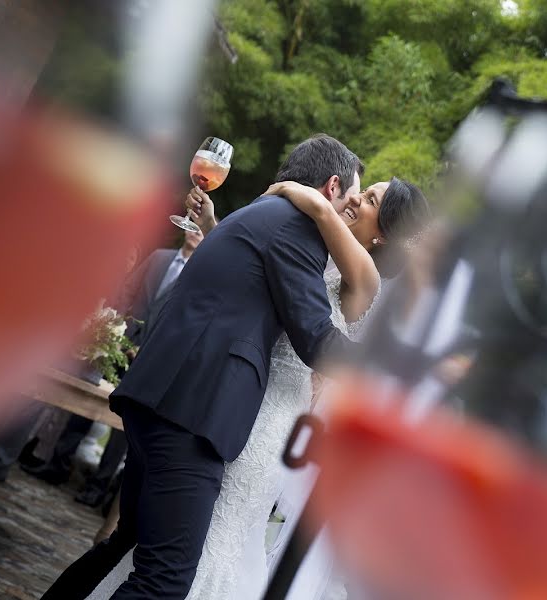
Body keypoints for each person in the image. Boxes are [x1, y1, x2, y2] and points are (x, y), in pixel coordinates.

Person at [40, 133, 387, 600]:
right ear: (330, 187)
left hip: (166, 401)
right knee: (164, 580)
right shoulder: (293, 229)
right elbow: (318, 344)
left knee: (126, 546)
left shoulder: (266, 216)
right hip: (192, 413)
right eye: (350, 195)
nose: (348, 208)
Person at [0, 231, 204, 500]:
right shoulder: (159, 257)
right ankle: (4, 458)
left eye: (202, 232)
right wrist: (107, 329)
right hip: (110, 346)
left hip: (147, 359)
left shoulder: (201, 277)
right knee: (40, 389)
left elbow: (184, 321)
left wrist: (149, 351)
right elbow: (127, 293)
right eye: (193, 228)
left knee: (125, 426)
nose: (195, 234)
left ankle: (98, 488)